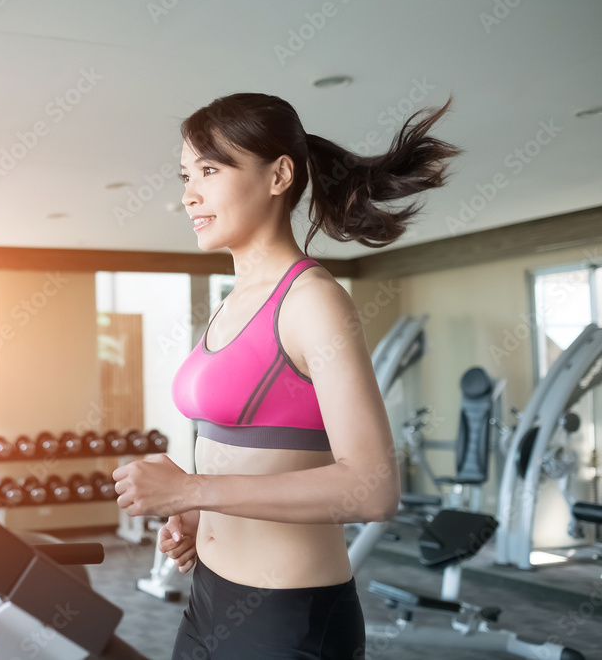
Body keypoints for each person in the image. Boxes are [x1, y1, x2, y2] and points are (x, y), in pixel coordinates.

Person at [112, 92, 463, 659]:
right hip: (207, 597)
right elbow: (258, 457)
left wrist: (194, 488)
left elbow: (372, 488)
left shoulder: (313, 302)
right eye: (185, 174)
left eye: (209, 169)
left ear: (278, 175)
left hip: (286, 618)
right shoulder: (232, 303)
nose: (188, 194)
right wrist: (200, 512)